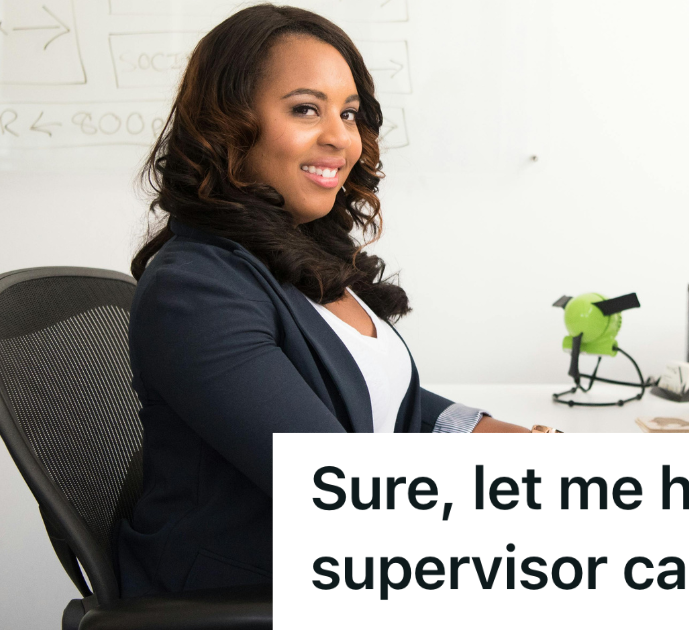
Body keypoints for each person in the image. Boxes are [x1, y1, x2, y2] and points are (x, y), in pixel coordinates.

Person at [117, 4, 537, 598]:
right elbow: (337, 487)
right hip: (251, 593)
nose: (341, 137)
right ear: (227, 126)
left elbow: (378, 399)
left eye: (349, 113)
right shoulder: (196, 289)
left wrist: (495, 436)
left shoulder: (299, 258)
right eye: (305, 109)